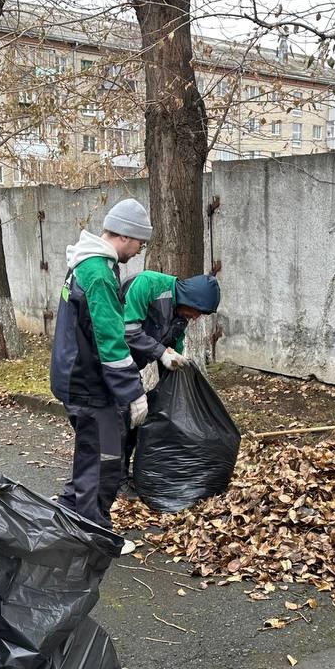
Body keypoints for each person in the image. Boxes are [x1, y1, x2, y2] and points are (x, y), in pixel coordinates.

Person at [50, 198, 151, 529]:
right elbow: (110, 343)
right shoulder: (99, 274)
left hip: (75, 376)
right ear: (124, 236)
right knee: (104, 462)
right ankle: (94, 535)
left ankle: (68, 510)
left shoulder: (88, 264)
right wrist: (133, 394)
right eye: (139, 242)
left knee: (91, 453)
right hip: (88, 384)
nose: (139, 250)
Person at [120, 270, 221, 485]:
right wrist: (161, 353)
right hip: (108, 361)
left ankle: (122, 475)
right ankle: (113, 480)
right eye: (198, 311)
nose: (196, 317)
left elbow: (173, 346)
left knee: (134, 419)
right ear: (190, 299)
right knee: (119, 419)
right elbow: (127, 330)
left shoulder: (180, 313)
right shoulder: (148, 284)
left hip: (130, 366)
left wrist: (175, 386)